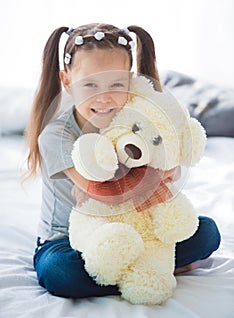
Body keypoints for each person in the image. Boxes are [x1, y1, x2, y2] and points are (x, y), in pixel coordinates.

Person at [25, 23, 221, 299]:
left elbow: (168, 164)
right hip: (70, 241)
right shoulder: (57, 135)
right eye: (90, 84)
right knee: (59, 273)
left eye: (116, 84)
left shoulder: (135, 118)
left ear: (130, 80)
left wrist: (166, 169)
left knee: (208, 232)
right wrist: (157, 175)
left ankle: (128, 270)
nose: (103, 97)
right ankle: (146, 272)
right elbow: (104, 191)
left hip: (136, 233)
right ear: (67, 81)